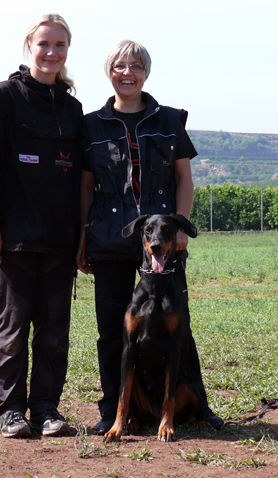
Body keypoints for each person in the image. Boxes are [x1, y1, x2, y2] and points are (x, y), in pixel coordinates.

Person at [79, 40, 224, 435]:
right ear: (109, 71)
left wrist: (180, 231)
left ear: (146, 72)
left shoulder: (169, 120)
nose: (127, 73)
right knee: (112, 330)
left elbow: (184, 178)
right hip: (110, 240)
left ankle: (200, 407)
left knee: (180, 330)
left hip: (162, 239)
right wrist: (82, 239)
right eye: (120, 66)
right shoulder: (91, 124)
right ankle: (113, 411)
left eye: (136, 66)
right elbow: (86, 188)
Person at [0, 14, 84, 438]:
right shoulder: (3, 97)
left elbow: (81, 178)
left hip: (58, 241)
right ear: (29, 46)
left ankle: (47, 410)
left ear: (67, 51)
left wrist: (81, 235)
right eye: (44, 44)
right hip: (11, 240)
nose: (51, 52)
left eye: (60, 45)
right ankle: (11, 411)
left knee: (54, 334)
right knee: (13, 332)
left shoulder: (72, 109)